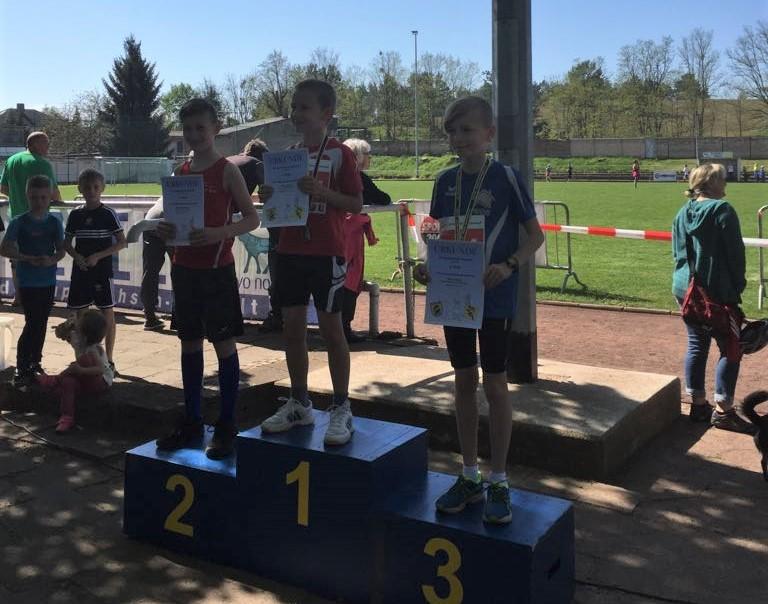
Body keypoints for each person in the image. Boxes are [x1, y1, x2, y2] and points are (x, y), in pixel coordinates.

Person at [413, 97, 544, 524]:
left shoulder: (506, 177)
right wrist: (427, 265)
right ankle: (469, 474)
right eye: (452, 131)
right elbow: (435, 234)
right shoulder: (444, 181)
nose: (458, 138)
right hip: (454, 297)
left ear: (489, 134)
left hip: (494, 298)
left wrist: (509, 266)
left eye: (467, 130)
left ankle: (499, 479)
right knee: (464, 380)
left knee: (496, 384)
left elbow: (535, 236)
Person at [258, 79, 363, 446]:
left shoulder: (340, 154)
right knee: (292, 330)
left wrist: (323, 192)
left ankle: (341, 406)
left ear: (326, 113)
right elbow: (276, 206)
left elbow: (355, 204)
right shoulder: (288, 155)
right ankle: (299, 402)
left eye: (304, 107)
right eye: (294, 106)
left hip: (326, 253)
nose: (296, 113)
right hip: (289, 250)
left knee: (332, 330)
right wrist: (268, 194)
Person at [154, 98, 259, 459]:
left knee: (224, 345)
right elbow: (172, 224)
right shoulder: (180, 173)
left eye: (201, 127)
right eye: (188, 129)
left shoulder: (227, 170)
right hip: (184, 269)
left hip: (216, 272)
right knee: (189, 344)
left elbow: (252, 219)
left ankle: (227, 425)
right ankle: (193, 421)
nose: (194, 134)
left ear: (216, 128)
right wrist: (166, 230)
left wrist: (219, 233)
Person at [672, 163, 752, 433]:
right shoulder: (722, 210)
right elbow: (735, 255)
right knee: (731, 347)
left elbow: (677, 252)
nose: (726, 183)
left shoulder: (682, 212)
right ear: (712, 183)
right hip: (716, 291)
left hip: (685, 289)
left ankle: (698, 404)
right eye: (722, 179)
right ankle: (724, 409)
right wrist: (737, 286)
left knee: (697, 344)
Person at [0, 175, 65, 389]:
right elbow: (5, 248)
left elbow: (61, 250)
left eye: (43, 198)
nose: (39, 202)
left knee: (42, 322)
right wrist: (26, 258)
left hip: (47, 280)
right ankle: (21, 366)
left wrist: (51, 260)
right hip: (27, 281)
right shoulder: (19, 222)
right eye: (34, 197)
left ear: (50, 197)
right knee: (32, 322)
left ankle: (35, 362)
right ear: (27, 196)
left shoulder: (54, 222)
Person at [64, 169, 126, 374]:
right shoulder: (75, 214)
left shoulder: (108, 213)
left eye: (95, 187)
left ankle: (109, 359)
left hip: (102, 271)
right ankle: (83, 357)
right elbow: (66, 243)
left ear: (102, 189)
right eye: (87, 187)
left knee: (107, 313)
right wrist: (76, 256)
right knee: (80, 315)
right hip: (81, 270)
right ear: (80, 189)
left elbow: (122, 242)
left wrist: (98, 256)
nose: (91, 191)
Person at [0, 131, 62, 305]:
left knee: (17, 259)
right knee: (41, 258)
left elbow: (3, 188)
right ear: (34, 144)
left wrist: (19, 196)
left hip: (15, 217)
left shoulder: (12, 160)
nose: (48, 147)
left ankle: (18, 296)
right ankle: (40, 296)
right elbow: (54, 193)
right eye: (45, 143)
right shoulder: (42, 163)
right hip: (38, 219)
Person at [228, 139, 282, 334]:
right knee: (223, 272)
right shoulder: (256, 164)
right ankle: (274, 317)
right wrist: (277, 237)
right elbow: (269, 193)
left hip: (208, 217)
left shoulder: (229, 161)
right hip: (222, 220)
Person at [341, 138, 390, 343]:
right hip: (349, 237)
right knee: (350, 279)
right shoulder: (358, 177)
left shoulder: (336, 176)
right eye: (368, 154)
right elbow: (383, 198)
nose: (370, 158)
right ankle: (344, 328)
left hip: (336, 234)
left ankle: (340, 327)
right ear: (359, 157)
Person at [35, 310, 113, 433]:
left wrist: (80, 370)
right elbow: (60, 333)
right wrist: (67, 325)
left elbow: (100, 370)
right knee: (68, 382)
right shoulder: (78, 340)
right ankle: (67, 417)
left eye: (78, 326)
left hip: (100, 382)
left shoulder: (94, 349)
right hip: (86, 380)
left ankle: (55, 379)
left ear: (84, 334)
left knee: (81, 362)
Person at [140, 196, 172, 330]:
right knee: (180, 270)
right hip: (170, 222)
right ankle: (180, 317)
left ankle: (149, 316)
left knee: (150, 271)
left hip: (151, 221)